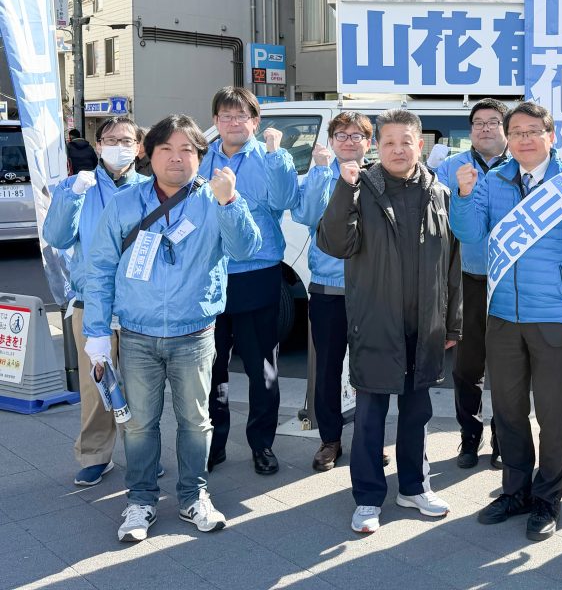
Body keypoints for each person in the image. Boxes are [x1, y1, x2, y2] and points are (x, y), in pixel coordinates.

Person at [82, 114, 261, 542]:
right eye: (166, 149)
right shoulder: (125, 203)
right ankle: (140, 500)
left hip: (194, 333)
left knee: (195, 422)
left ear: (200, 155)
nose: (176, 158)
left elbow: (245, 249)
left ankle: (193, 496)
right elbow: (101, 268)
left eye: (187, 150)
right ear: (149, 154)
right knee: (139, 424)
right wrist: (97, 332)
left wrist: (231, 203)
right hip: (137, 333)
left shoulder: (215, 197)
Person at [451, 100, 562, 542]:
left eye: (533, 131)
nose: (524, 139)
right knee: (509, 411)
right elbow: (470, 234)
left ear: (550, 136)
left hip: (556, 317)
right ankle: (515, 491)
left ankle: (548, 498)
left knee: (553, 416)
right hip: (502, 316)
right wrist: (464, 196)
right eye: (516, 132)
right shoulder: (494, 180)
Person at [317, 109, 462, 535]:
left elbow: (451, 264)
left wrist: (451, 323)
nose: (398, 150)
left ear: (420, 145)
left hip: (425, 325)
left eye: (406, 142)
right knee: (370, 416)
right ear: (377, 147)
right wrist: (344, 189)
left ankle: (414, 487)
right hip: (375, 323)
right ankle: (367, 497)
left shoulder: (439, 192)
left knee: (418, 413)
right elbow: (334, 243)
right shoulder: (360, 188)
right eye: (389, 143)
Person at [43, 116, 149, 487]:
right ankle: (95, 455)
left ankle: (143, 455)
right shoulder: (78, 186)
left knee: (142, 388)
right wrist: (72, 195)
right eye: (110, 139)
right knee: (96, 387)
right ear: (98, 145)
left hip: (139, 306)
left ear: (139, 147)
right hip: (91, 303)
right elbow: (56, 236)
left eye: (126, 140)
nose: (118, 146)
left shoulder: (151, 188)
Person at [203, 87, 300, 476]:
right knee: (211, 366)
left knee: (262, 367)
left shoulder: (270, 157)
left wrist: (276, 155)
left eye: (241, 116)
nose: (233, 123)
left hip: (258, 273)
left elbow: (286, 200)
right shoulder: (201, 157)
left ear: (255, 122)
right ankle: (213, 443)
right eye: (225, 116)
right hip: (210, 274)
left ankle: (262, 443)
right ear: (215, 121)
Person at [291, 111, 373, 473]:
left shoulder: (378, 178)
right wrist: (322, 172)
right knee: (326, 368)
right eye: (341, 135)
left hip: (371, 290)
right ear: (331, 140)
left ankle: (369, 440)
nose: (349, 141)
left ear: (369, 142)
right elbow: (306, 216)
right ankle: (330, 440)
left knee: (371, 370)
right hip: (327, 288)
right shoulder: (321, 175)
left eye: (357, 136)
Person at [433, 98, 510, 470]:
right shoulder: (451, 167)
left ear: (505, 127)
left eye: (493, 122)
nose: (485, 128)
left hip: (510, 281)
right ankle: (469, 436)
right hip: (465, 280)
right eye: (478, 123)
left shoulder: (520, 165)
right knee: (466, 367)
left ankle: (503, 439)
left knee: (509, 368)